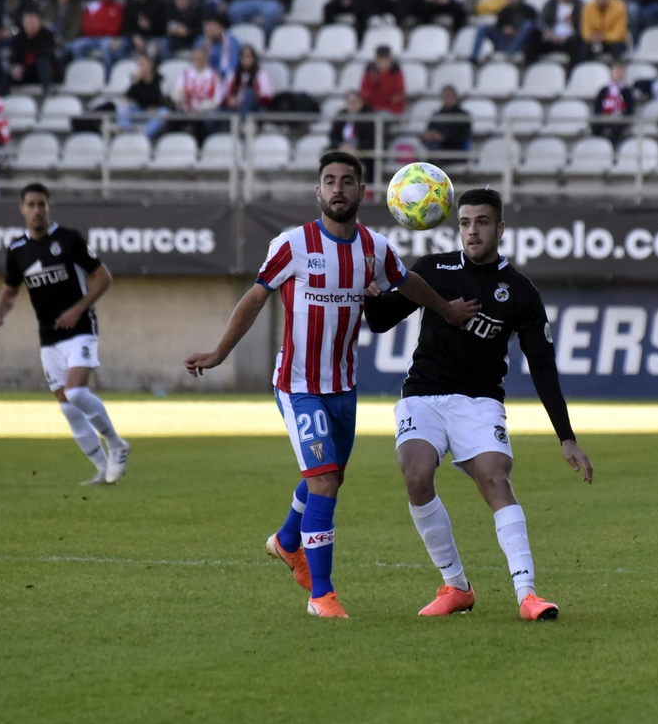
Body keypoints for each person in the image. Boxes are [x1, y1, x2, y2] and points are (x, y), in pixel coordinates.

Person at [184, 151, 477, 619]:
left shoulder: (374, 248)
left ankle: (286, 541)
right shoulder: (293, 244)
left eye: (347, 181)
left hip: (343, 385)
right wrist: (219, 353)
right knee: (322, 483)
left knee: (332, 478)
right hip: (298, 384)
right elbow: (255, 298)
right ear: (318, 192)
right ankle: (322, 595)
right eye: (329, 181)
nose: (337, 188)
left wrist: (446, 310)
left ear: (362, 193)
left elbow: (408, 283)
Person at [364, 187, 590, 622]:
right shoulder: (433, 269)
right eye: (465, 223)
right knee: (416, 473)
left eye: (482, 222)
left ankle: (528, 594)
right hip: (424, 394)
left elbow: (542, 365)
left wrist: (567, 437)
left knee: (494, 478)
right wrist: (371, 292)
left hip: (481, 401)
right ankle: (456, 586)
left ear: (500, 228)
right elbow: (379, 321)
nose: (472, 231)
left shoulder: (519, 291)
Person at [0, 184, 128, 486]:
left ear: (50, 208)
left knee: (75, 392)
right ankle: (103, 469)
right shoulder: (17, 251)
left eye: (42, 204)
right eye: (31, 205)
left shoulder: (69, 239)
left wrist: (79, 308)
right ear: (22, 209)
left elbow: (103, 277)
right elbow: (9, 292)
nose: (37, 210)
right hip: (48, 336)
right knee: (67, 407)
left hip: (81, 328)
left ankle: (116, 444)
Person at [470, 0, 534, 61]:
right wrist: (504, 29)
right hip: (505, 41)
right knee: (483, 28)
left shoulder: (527, 9)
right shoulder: (504, 11)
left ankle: (509, 54)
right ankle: (474, 57)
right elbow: (499, 26)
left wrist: (517, 31)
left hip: (520, 43)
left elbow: (534, 26)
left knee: (527, 24)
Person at [421, 85, 471, 162]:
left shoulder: (463, 115)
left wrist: (443, 137)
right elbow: (429, 130)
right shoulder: (437, 114)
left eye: (449, 96)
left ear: (455, 97)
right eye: (445, 97)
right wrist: (430, 135)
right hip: (437, 147)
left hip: (455, 149)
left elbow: (463, 136)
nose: (447, 99)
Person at [222, 43, 272, 118]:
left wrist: (242, 101)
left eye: (248, 57)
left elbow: (266, 98)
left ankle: (243, 124)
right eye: (243, 57)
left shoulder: (261, 75)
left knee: (249, 93)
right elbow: (224, 94)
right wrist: (230, 100)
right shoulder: (233, 74)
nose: (246, 60)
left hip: (255, 108)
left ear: (254, 59)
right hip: (235, 108)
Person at [591, 61, 635, 141]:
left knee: (617, 128)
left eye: (621, 71)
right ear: (611, 72)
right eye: (616, 70)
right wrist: (603, 115)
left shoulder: (627, 91)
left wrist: (620, 116)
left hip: (620, 120)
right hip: (605, 118)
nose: (618, 74)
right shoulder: (604, 90)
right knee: (595, 126)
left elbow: (630, 110)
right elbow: (597, 108)